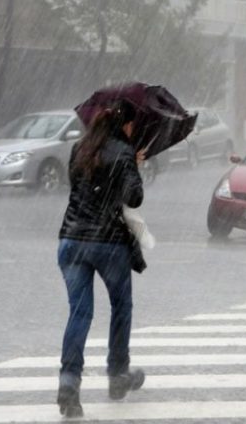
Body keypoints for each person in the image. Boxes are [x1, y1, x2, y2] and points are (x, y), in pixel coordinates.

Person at [56, 99, 146, 418]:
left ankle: (68, 383)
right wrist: (134, 164)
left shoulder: (79, 148)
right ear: (125, 125)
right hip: (108, 243)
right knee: (121, 306)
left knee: (79, 314)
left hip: (71, 240)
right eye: (133, 125)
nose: (133, 130)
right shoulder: (123, 152)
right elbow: (133, 197)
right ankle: (118, 375)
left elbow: (80, 188)